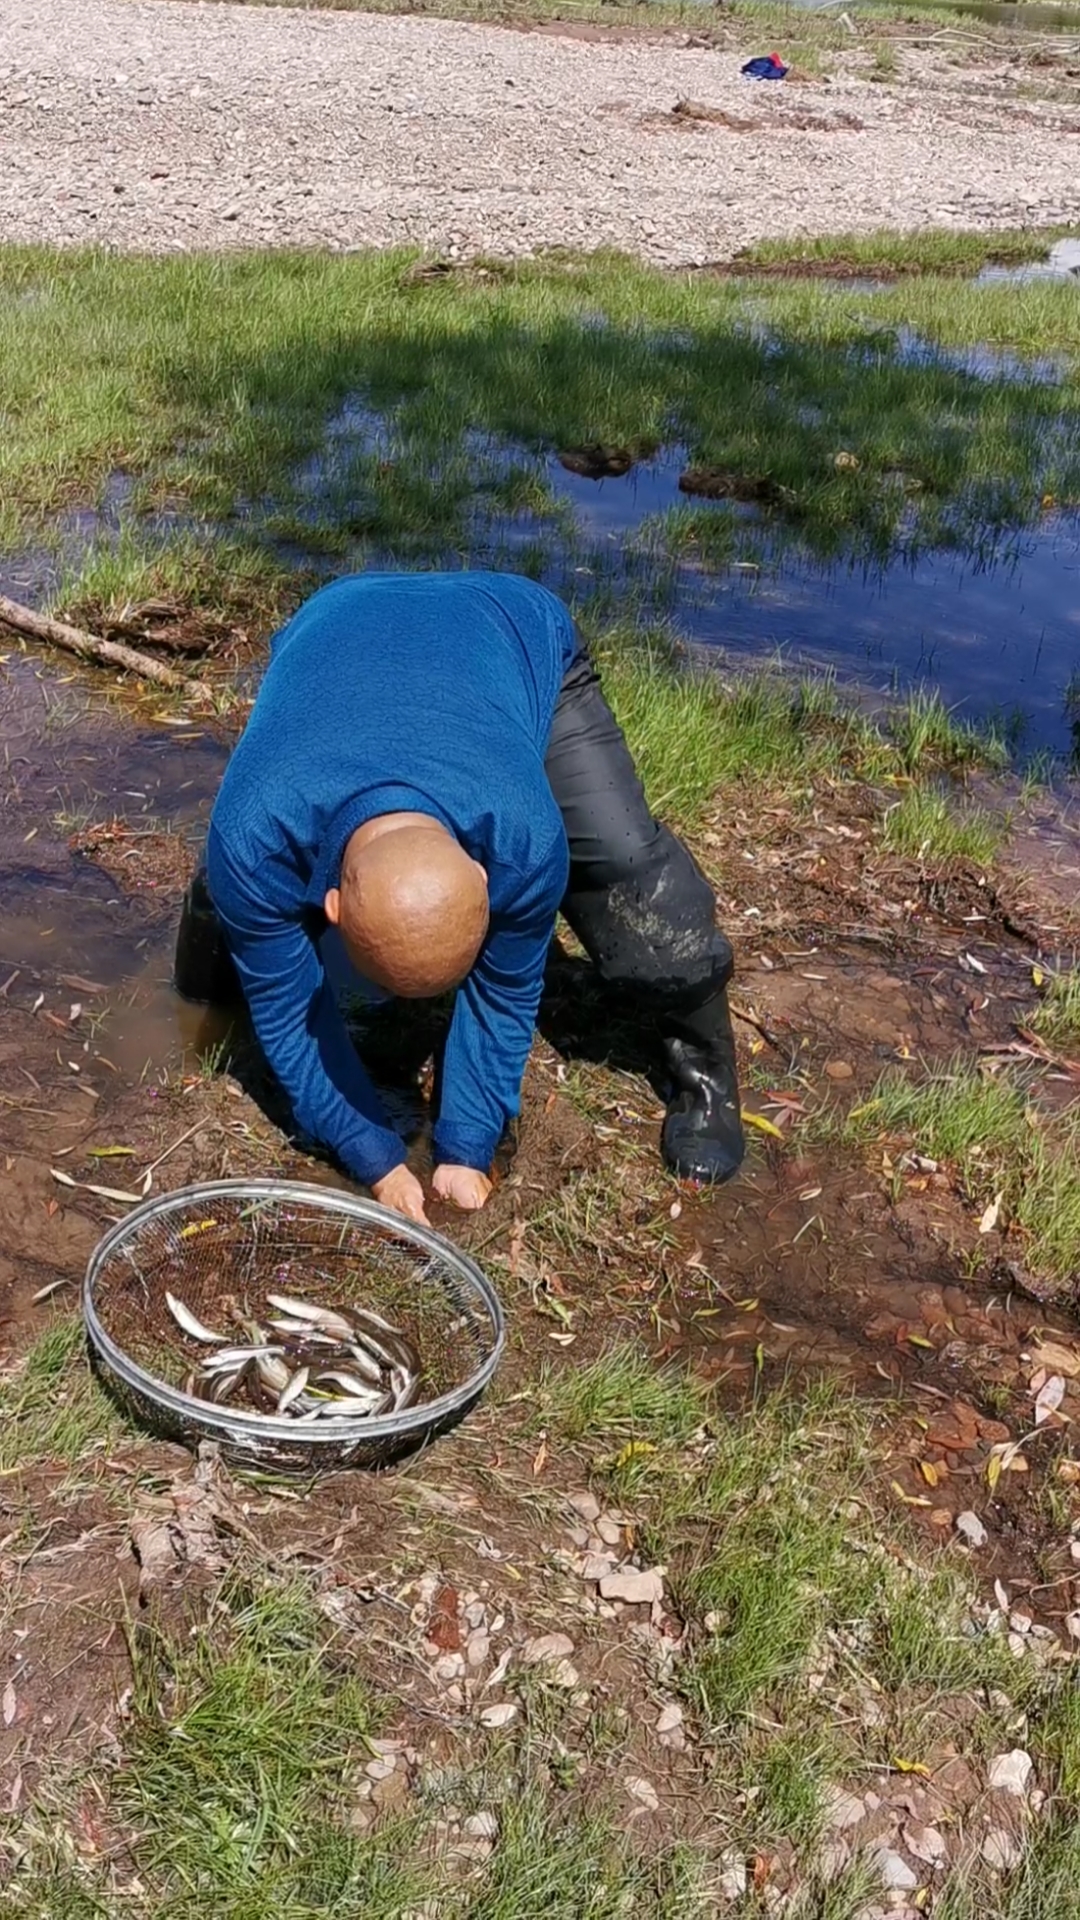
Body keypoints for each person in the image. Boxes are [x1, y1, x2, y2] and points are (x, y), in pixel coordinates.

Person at [174, 571, 744, 1225]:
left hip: (509, 627)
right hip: (335, 626)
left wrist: (467, 1148)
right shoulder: (255, 831)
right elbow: (287, 1015)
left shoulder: (523, 839)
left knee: (622, 865)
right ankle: (215, 958)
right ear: (329, 905)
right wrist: (376, 1161)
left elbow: (505, 991)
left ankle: (704, 1069)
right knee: (239, 886)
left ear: (484, 878)